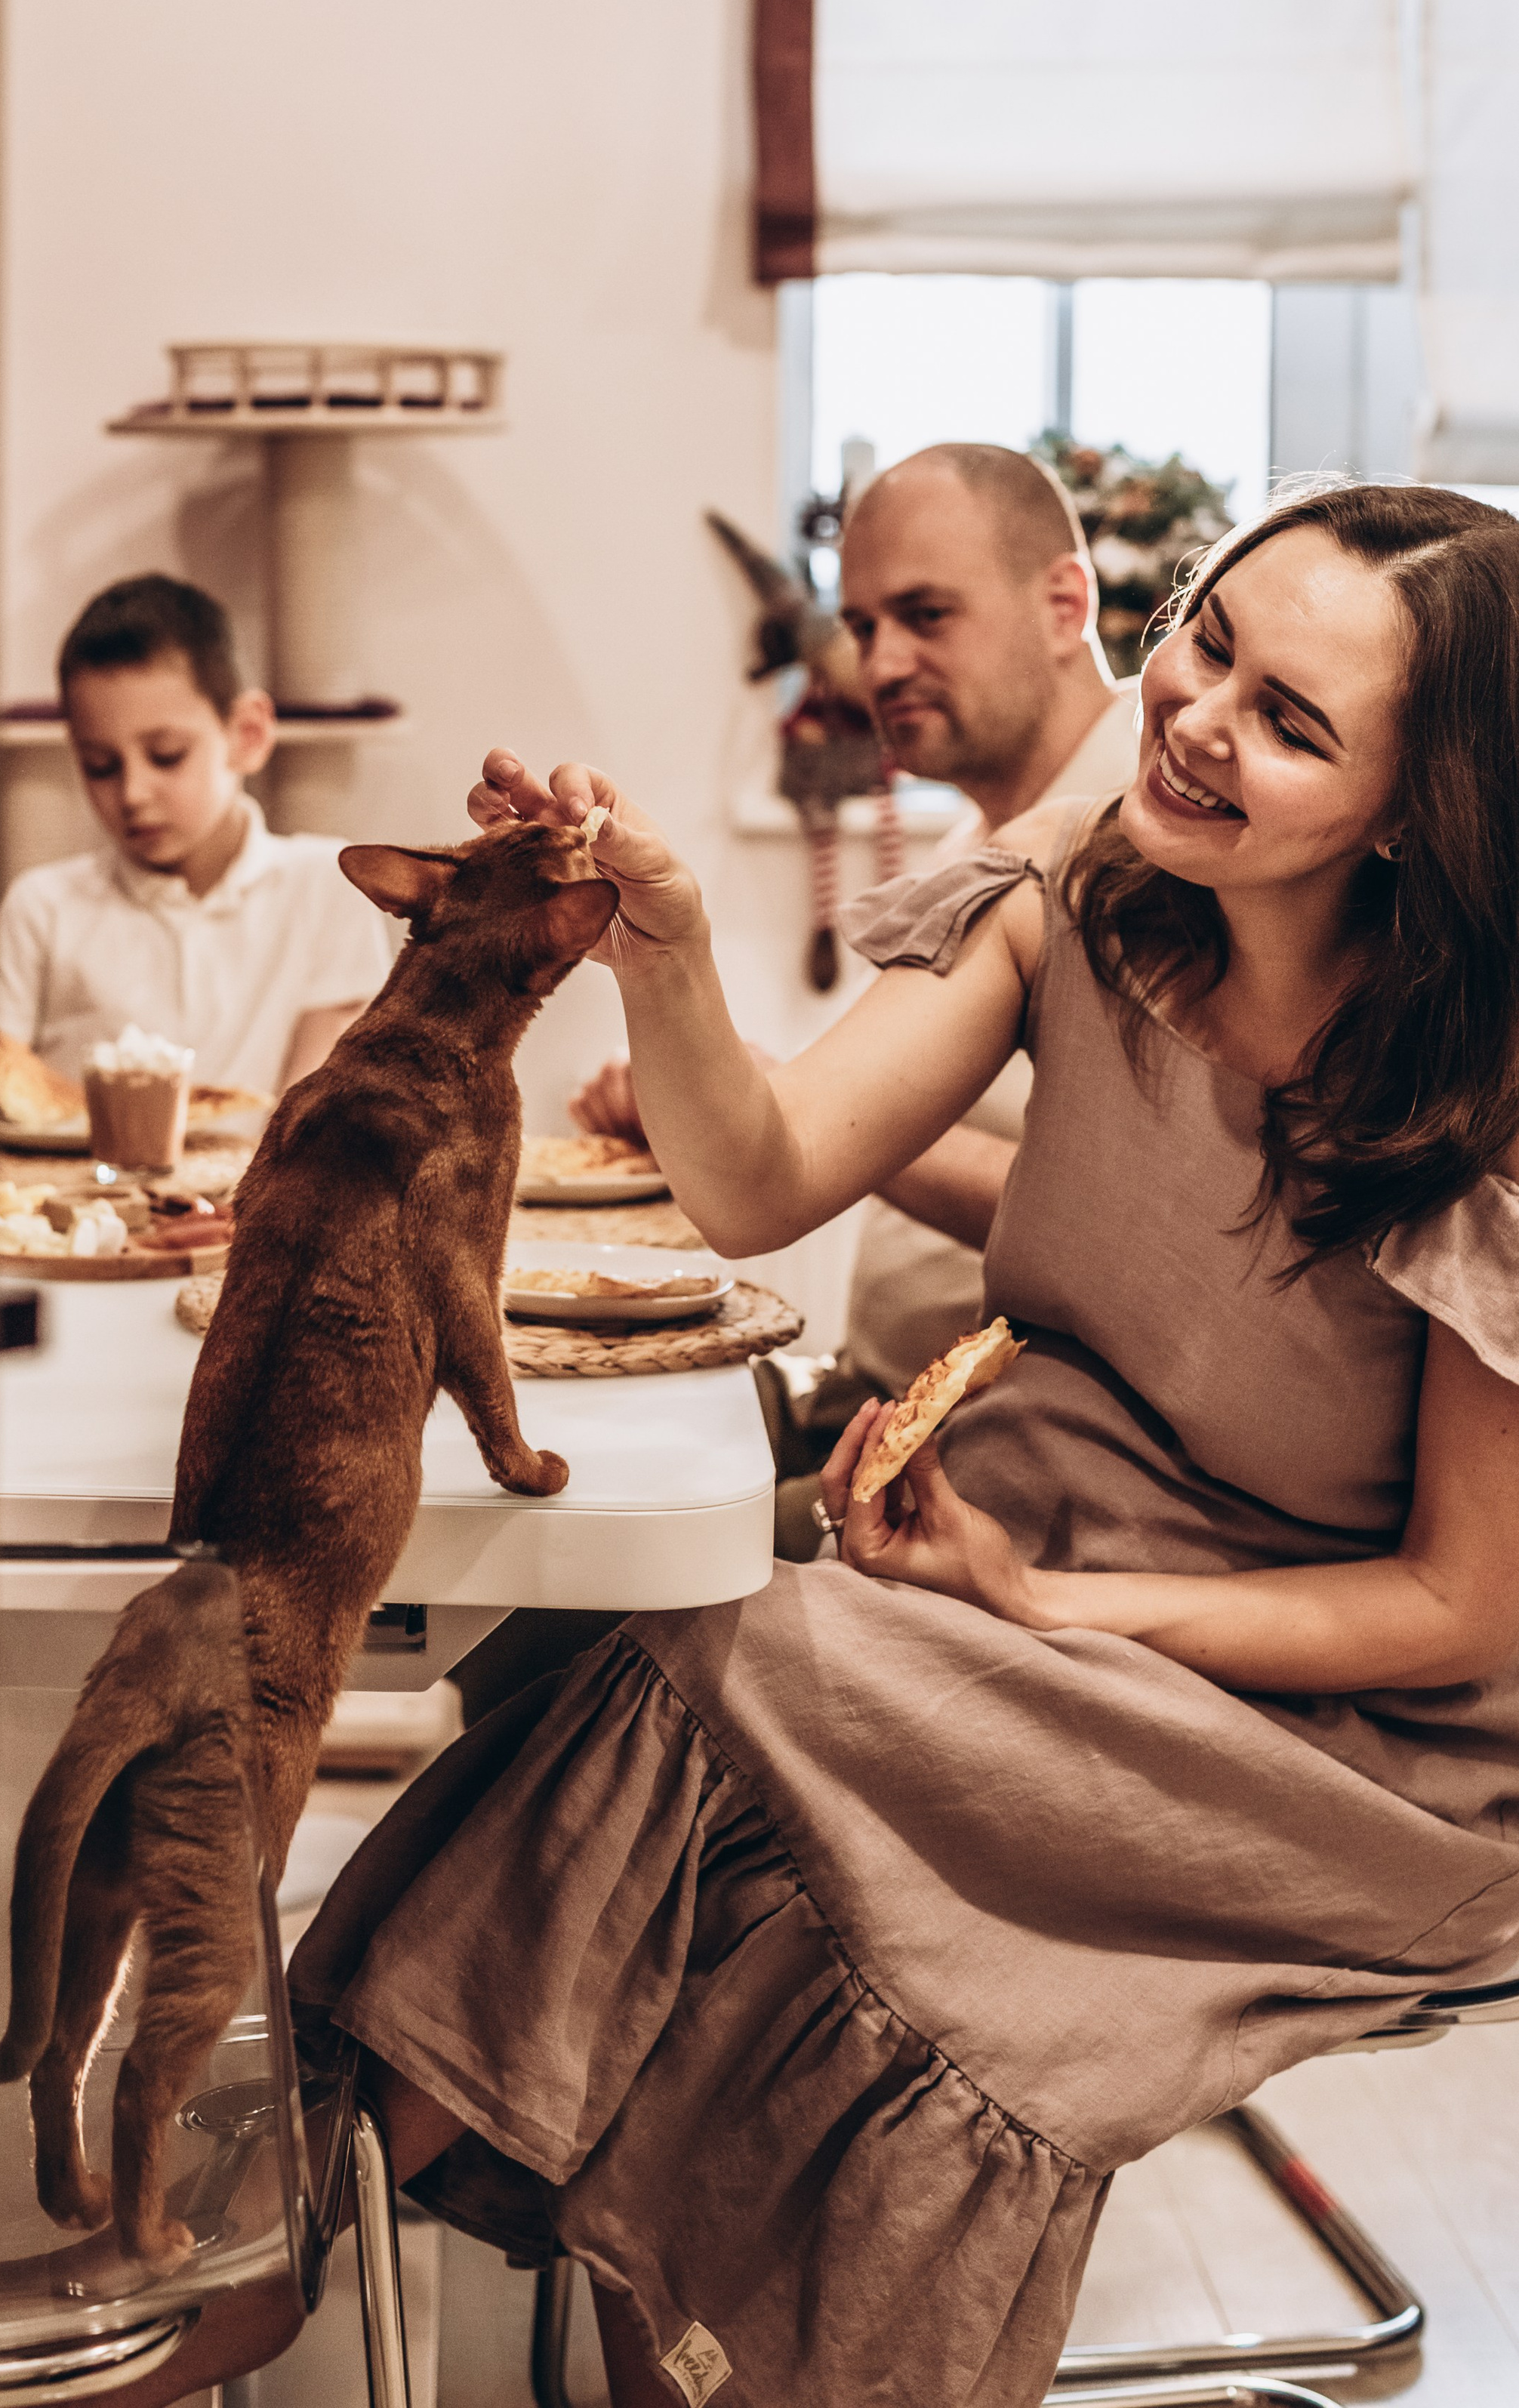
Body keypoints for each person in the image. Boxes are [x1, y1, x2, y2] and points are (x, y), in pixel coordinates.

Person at [276, 485, 1519, 2408]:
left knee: (729, 1661)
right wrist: (663, 938)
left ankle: (310, 2191)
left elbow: (1454, 1609)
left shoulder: (1469, 1102)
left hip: (1351, 1743)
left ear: (1407, 809)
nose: (1194, 721)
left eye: (1292, 720)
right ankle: (378, 2217)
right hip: (1029, 1566)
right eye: (1204, 641)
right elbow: (758, 1175)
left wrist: (1048, 1600)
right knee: (644, 1642)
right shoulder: (1070, 908)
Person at [575, 442, 1139, 1444]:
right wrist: (699, 1087)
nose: (879, 665)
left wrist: (817, 1117)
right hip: (875, 1393)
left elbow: (1150, 1224)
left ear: (1066, 603)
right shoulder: (978, 842)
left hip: (1017, 1441)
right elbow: (773, 1170)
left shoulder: (1142, 838)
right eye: (862, 625)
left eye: (926, 616)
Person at [0, 575, 392, 1096]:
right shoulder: (42, 908)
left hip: (259, 1177)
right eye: (100, 765)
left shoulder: (328, 884)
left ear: (247, 735)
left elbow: (312, 1117)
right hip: (74, 1180)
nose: (133, 793)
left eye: (167, 756)